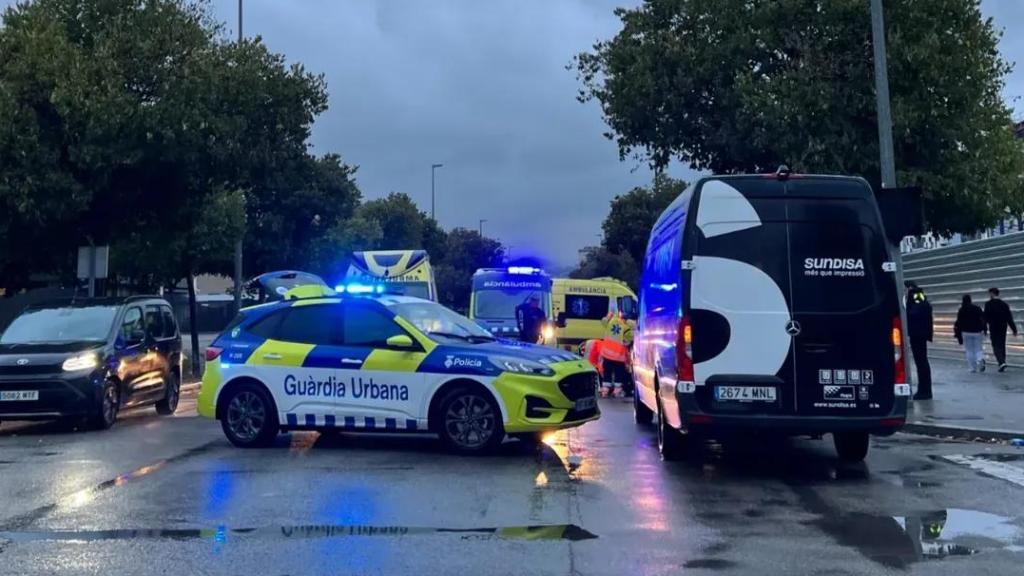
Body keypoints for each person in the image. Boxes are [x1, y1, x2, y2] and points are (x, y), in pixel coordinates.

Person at [905, 282, 934, 400]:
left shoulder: (917, 297)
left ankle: (925, 391)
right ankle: (924, 390)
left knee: (921, 362)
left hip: (918, 334)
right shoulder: (919, 298)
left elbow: (914, 312)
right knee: (921, 362)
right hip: (919, 334)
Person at [598, 311, 634, 398]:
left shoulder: (611, 321)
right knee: (618, 374)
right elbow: (629, 340)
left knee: (607, 373)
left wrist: (608, 316)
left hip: (607, 354)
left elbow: (603, 321)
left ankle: (605, 390)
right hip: (618, 357)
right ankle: (617, 391)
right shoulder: (626, 327)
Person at [984, 287, 1017, 372]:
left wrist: (984, 328)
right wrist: (1014, 329)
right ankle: (1002, 362)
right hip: (1003, 327)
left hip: (993, 327)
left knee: (995, 345)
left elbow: (985, 317)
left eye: (989, 293)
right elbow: (1009, 317)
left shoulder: (988, 304)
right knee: (1002, 344)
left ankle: (1001, 362)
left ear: (992, 293)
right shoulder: (1004, 304)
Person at [953, 294, 987, 373]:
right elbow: (983, 319)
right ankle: (980, 359)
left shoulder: (962, 309)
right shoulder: (977, 308)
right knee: (978, 348)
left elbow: (959, 322)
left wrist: (958, 334)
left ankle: (973, 368)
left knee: (969, 350)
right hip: (977, 331)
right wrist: (985, 329)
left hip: (966, 332)